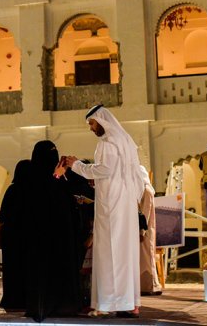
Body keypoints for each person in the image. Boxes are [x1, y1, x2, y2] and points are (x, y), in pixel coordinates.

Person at [63, 104, 143, 317]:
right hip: (124, 204)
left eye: (91, 123)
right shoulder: (125, 142)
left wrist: (76, 165)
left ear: (101, 121)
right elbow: (117, 173)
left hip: (112, 207)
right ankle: (127, 302)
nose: (91, 128)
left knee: (111, 252)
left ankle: (112, 302)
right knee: (124, 253)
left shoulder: (107, 143)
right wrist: (97, 182)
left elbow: (104, 169)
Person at [23, 140, 83, 322]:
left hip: (60, 235)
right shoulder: (33, 177)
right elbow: (41, 199)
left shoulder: (56, 176)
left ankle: (63, 305)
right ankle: (45, 305)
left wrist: (68, 171)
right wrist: (56, 177)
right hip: (42, 236)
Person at [0, 159, 32, 311]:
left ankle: (12, 299)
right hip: (28, 237)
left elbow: (3, 215)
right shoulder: (34, 190)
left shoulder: (12, 190)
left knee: (12, 270)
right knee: (27, 268)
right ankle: (27, 298)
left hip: (11, 238)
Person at [138, 165, 162, 296]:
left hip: (145, 230)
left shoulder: (146, 191)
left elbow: (145, 213)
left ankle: (151, 285)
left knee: (147, 257)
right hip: (143, 229)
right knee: (144, 258)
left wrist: (141, 231)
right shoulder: (143, 190)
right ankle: (145, 285)